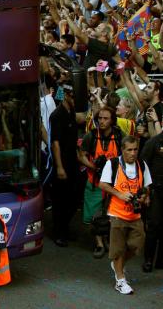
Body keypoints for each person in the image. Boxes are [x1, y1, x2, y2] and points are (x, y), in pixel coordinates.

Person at [99, 135, 152, 295]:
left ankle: (117, 265)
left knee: (137, 245)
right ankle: (120, 280)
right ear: (122, 150)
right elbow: (102, 184)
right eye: (129, 150)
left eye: (135, 149)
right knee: (118, 248)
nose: (133, 153)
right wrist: (120, 194)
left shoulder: (142, 165)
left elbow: (147, 187)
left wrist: (144, 197)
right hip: (117, 213)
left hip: (135, 215)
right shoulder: (113, 164)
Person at [80, 106, 123, 258]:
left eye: (106, 118)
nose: (102, 121)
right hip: (95, 181)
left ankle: (107, 240)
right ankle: (99, 243)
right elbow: (82, 155)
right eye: (100, 118)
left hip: (113, 183)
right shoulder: (90, 136)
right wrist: (93, 166)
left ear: (112, 120)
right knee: (93, 214)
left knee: (112, 214)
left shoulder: (119, 136)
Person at [49, 83, 82, 247]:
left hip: (73, 161)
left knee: (74, 198)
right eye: (74, 96)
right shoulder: (57, 116)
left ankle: (66, 228)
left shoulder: (72, 113)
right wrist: (60, 167)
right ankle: (58, 233)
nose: (76, 100)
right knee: (60, 200)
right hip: (61, 162)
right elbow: (55, 144)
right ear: (67, 95)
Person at [140, 126, 163, 272]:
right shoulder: (154, 142)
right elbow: (142, 167)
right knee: (154, 225)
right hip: (156, 190)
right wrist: (145, 192)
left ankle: (161, 260)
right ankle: (148, 260)